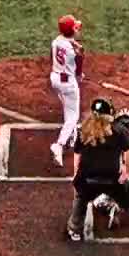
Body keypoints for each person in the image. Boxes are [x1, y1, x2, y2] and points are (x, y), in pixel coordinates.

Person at [68, 98, 129, 249]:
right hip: (112, 179)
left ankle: (75, 230)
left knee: (80, 197)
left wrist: (76, 175)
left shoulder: (83, 129)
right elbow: (128, 153)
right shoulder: (119, 131)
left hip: (87, 178)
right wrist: (125, 174)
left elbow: (77, 154)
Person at [49, 15, 85, 167]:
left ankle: (72, 136)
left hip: (55, 79)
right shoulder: (74, 53)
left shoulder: (56, 41)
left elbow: (68, 42)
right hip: (68, 84)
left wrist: (75, 45)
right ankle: (59, 144)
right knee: (73, 116)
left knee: (68, 107)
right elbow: (79, 68)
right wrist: (80, 73)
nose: (78, 29)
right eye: (75, 27)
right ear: (72, 30)